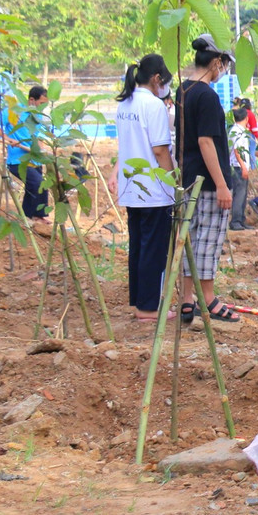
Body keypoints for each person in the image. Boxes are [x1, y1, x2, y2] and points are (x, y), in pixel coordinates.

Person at [175, 35, 240, 325]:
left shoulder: (182, 90)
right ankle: (209, 298)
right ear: (216, 62)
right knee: (208, 240)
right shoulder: (208, 96)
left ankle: (187, 300)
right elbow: (206, 142)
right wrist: (223, 184)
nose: (222, 72)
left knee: (190, 237)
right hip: (208, 182)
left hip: (189, 178)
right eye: (223, 66)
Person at [114, 55, 176, 321]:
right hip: (153, 189)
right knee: (154, 248)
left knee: (139, 245)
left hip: (132, 185)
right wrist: (173, 180)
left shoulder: (124, 103)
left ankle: (141, 301)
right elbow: (160, 150)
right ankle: (149, 307)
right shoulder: (153, 105)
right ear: (156, 79)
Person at [0, 85, 50, 223]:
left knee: (41, 185)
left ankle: (38, 215)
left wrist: (42, 149)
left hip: (35, 159)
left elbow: (37, 136)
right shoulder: (14, 111)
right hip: (18, 159)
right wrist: (8, 138)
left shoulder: (37, 115)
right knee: (36, 182)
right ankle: (26, 217)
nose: (42, 107)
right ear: (32, 100)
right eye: (41, 104)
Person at [226, 106, 254, 231]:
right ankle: (236, 221)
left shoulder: (238, 130)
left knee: (242, 194)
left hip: (239, 166)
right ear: (246, 118)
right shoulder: (237, 132)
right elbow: (237, 151)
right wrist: (243, 167)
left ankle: (241, 220)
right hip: (237, 167)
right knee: (239, 194)